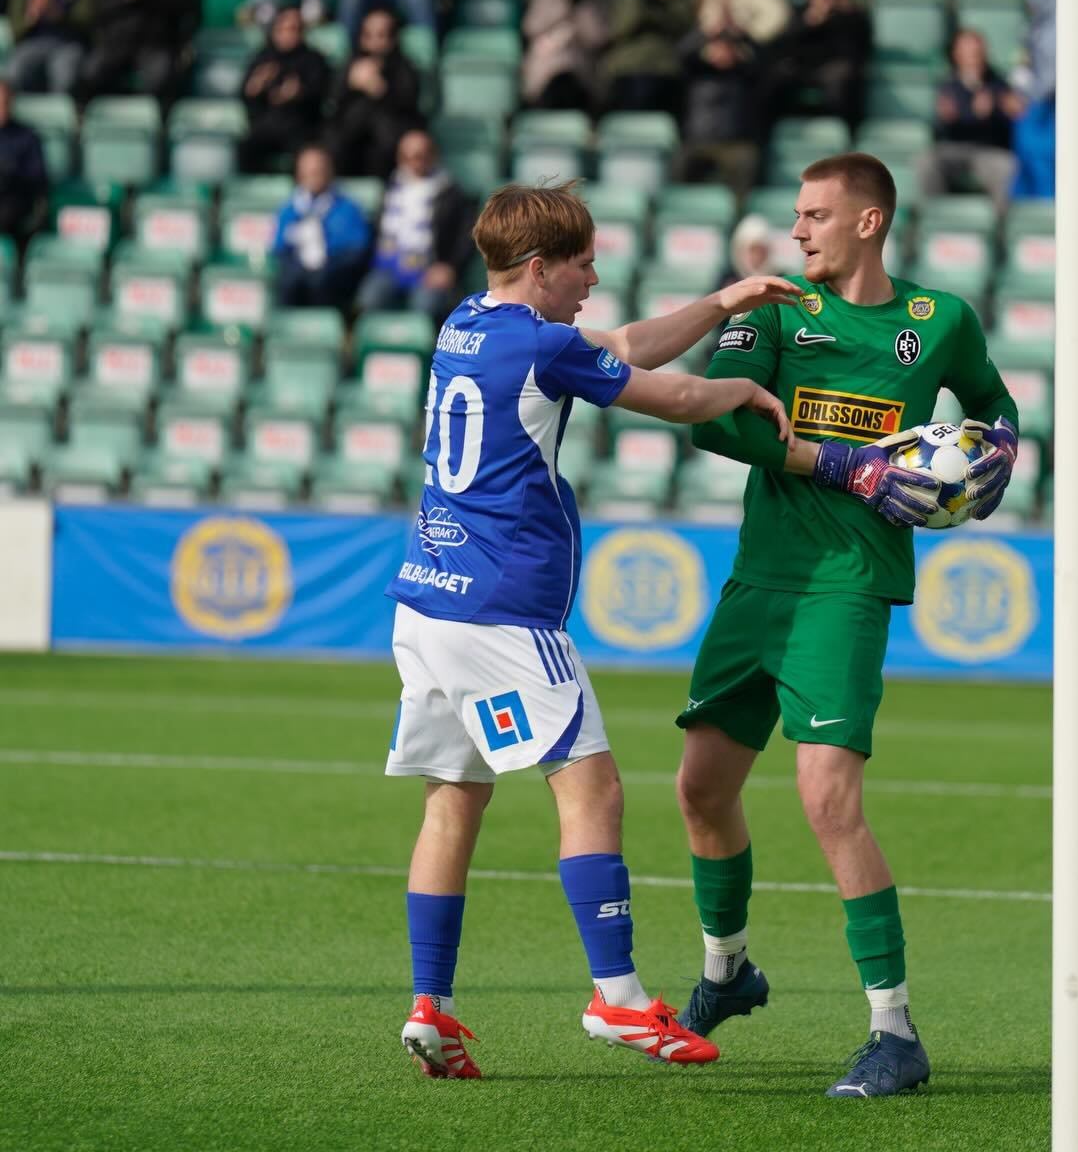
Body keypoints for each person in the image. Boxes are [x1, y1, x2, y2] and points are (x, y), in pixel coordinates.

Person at [384, 180, 801, 1080]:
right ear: (538, 270)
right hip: (501, 610)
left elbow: (609, 346)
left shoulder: (468, 322)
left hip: (425, 601)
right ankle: (617, 998)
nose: (593, 276)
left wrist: (724, 300)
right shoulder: (539, 344)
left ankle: (431, 1006)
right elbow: (672, 396)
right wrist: (742, 386)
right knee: (594, 788)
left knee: (454, 799)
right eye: (581, 264)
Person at [672, 152, 1019, 1098]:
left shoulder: (939, 320)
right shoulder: (777, 310)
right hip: (758, 581)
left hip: (849, 584)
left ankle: (894, 1030)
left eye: (816, 215)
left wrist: (994, 461)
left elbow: (993, 406)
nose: (798, 231)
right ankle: (727, 971)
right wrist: (843, 463)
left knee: (828, 800)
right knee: (701, 790)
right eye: (796, 214)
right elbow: (716, 422)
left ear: (868, 222)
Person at [356, 129, 477, 322]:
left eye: (420, 156)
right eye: (407, 156)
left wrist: (451, 267)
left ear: (433, 155)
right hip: (387, 267)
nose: (413, 162)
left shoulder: (450, 192)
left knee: (424, 306)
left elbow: (468, 235)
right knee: (369, 300)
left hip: (428, 269)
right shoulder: (390, 187)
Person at [763, 0, 872, 128]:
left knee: (842, 82)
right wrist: (809, 21)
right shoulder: (793, 5)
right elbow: (781, 42)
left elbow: (858, 43)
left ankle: (843, 134)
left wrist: (841, 12)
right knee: (771, 80)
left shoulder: (845, 4)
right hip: (800, 65)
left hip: (832, 66)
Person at [916, 28, 1019, 204]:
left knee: (1007, 167)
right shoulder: (947, 85)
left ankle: (1000, 225)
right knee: (926, 162)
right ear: (957, 55)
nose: (974, 57)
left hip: (988, 150)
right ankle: (935, 219)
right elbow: (938, 127)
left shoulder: (999, 84)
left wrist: (996, 114)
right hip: (954, 148)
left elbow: (1010, 122)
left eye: (978, 52)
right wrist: (945, 119)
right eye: (968, 53)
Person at [271, 144, 371, 309]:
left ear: (330, 171)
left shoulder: (348, 208)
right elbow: (280, 248)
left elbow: (357, 250)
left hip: (333, 274)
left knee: (321, 281)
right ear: (299, 175)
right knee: (289, 281)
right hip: (297, 274)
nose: (314, 176)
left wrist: (326, 264)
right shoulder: (289, 210)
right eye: (309, 172)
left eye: (319, 171)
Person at [328, 8, 423, 179]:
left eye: (381, 35)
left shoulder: (404, 66)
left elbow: (409, 103)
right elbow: (333, 102)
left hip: (387, 145)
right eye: (368, 35)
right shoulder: (351, 64)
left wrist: (380, 90)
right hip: (351, 143)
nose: (374, 42)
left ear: (393, 39)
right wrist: (350, 84)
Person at [237, 5, 331, 174]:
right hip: (267, 124)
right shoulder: (262, 58)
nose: (289, 34)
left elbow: (322, 94)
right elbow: (247, 97)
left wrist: (300, 93)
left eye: (295, 29)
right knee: (246, 147)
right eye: (284, 29)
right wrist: (255, 87)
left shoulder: (314, 59)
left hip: (301, 125)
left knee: (308, 153)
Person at [597, 0, 693, 115]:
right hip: (629, 68)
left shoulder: (680, 0)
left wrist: (660, 7)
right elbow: (620, 29)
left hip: (665, 69)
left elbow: (681, 26)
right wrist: (643, 0)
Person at [675, 30, 761, 197]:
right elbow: (680, 54)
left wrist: (742, 36)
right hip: (697, 143)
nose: (722, 54)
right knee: (680, 165)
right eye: (717, 49)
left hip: (736, 144)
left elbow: (764, 58)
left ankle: (738, 213)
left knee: (746, 164)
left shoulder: (745, 77)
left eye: (727, 49)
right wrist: (704, 34)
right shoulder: (696, 74)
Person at [520, 0, 610, 111]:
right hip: (547, 65)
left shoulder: (591, 2)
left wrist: (580, 11)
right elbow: (531, 28)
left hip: (580, 67)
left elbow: (597, 38)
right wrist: (563, 9)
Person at [1007, 0, 1056, 200]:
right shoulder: (1036, 27)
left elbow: (1051, 82)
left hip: (1049, 111)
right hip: (1037, 109)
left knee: (1045, 161)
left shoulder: (1057, 30)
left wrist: (1026, 91)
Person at [0, 78, 48, 252]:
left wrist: (11, 173)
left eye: (4, 102)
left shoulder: (27, 136)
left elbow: (38, 178)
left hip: (13, 199)